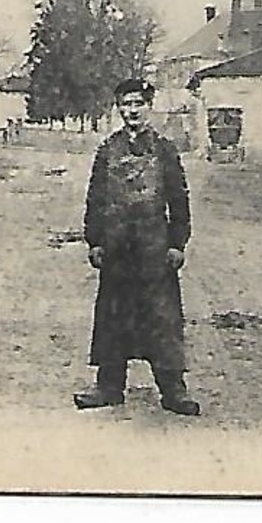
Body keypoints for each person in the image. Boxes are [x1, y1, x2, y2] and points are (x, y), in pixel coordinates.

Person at [75, 77, 200, 415]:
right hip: (117, 248)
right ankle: (109, 387)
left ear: (149, 106)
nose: (132, 111)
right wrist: (95, 240)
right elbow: (96, 198)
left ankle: (173, 390)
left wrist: (177, 243)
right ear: (119, 109)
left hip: (153, 248)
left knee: (162, 318)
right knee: (113, 315)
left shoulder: (165, 149)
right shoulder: (108, 150)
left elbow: (179, 199)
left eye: (138, 104)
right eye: (126, 105)